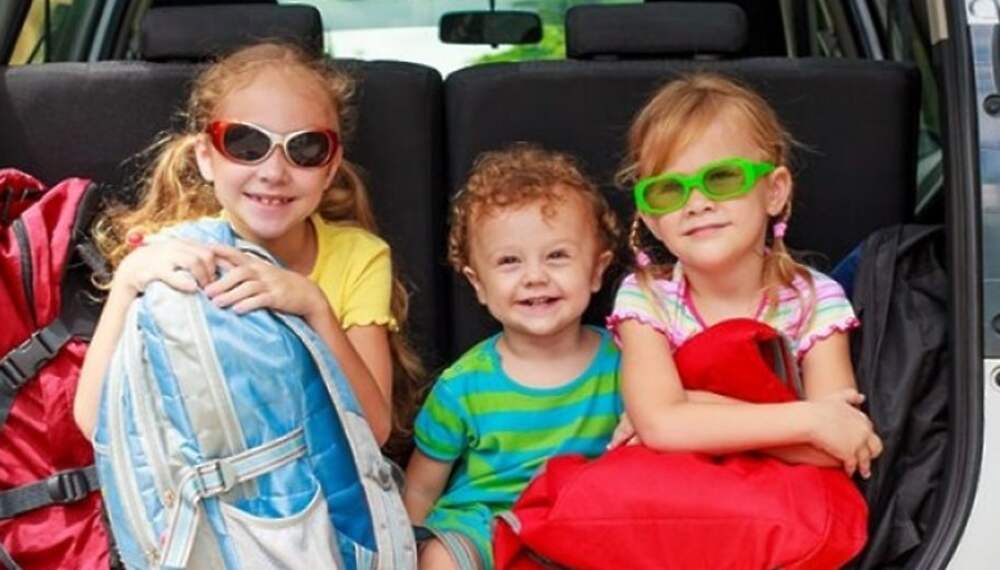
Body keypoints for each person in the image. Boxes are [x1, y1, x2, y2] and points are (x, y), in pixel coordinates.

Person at [73, 42, 422, 448]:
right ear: (206, 157)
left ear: (329, 170)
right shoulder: (176, 258)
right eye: (246, 144)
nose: (273, 172)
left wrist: (314, 307)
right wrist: (127, 283)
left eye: (305, 148)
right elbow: (96, 421)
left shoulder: (358, 257)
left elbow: (374, 429)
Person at [608, 72, 883, 478]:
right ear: (650, 218)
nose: (697, 203)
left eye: (722, 178)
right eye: (668, 190)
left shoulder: (815, 299)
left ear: (774, 191)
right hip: (672, 496)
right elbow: (660, 424)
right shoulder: (646, 296)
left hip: (781, 505)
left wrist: (690, 408)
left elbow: (840, 446)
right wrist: (808, 419)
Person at [404, 144, 623, 570]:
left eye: (557, 256)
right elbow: (420, 489)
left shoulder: (623, 362)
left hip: (578, 525)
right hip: (481, 527)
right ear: (479, 285)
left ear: (597, 270)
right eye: (509, 261)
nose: (534, 276)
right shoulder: (463, 386)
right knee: (441, 558)